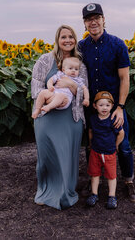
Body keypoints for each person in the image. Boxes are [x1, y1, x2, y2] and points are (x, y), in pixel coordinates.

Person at [78, 3, 135, 202]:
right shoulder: (81, 47)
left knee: (123, 146)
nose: (93, 22)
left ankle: (128, 182)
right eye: (88, 19)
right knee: (91, 144)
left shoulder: (117, 44)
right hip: (91, 107)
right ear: (85, 23)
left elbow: (124, 78)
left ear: (104, 19)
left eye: (97, 17)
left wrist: (120, 107)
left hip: (113, 107)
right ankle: (94, 180)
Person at [31, 24, 88, 210]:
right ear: (57, 39)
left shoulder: (80, 64)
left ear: (75, 39)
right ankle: (45, 189)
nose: (68, 40)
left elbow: (84, 92)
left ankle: (66, 191)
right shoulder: (44, 60)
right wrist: (53, 93)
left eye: (71, 36)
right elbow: (35, 88)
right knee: (47, 155)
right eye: (64, 37)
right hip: (47, 116)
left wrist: (71, 86)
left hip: (70, 117)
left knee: (66, 155)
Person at [86, 91, 124, 209]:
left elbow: (121, 133)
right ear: (95, 106)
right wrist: (91, 143)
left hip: (109, 152)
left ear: (112, 106)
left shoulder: (113, 119)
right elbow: (91, 131)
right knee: (95, 174)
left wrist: (116, 145)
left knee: (111, 175)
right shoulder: (93, 119)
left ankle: (112, 196)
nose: (104, 108)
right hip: (95, 151)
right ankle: (94, 194)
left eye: (107, 105)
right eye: (101, 105)